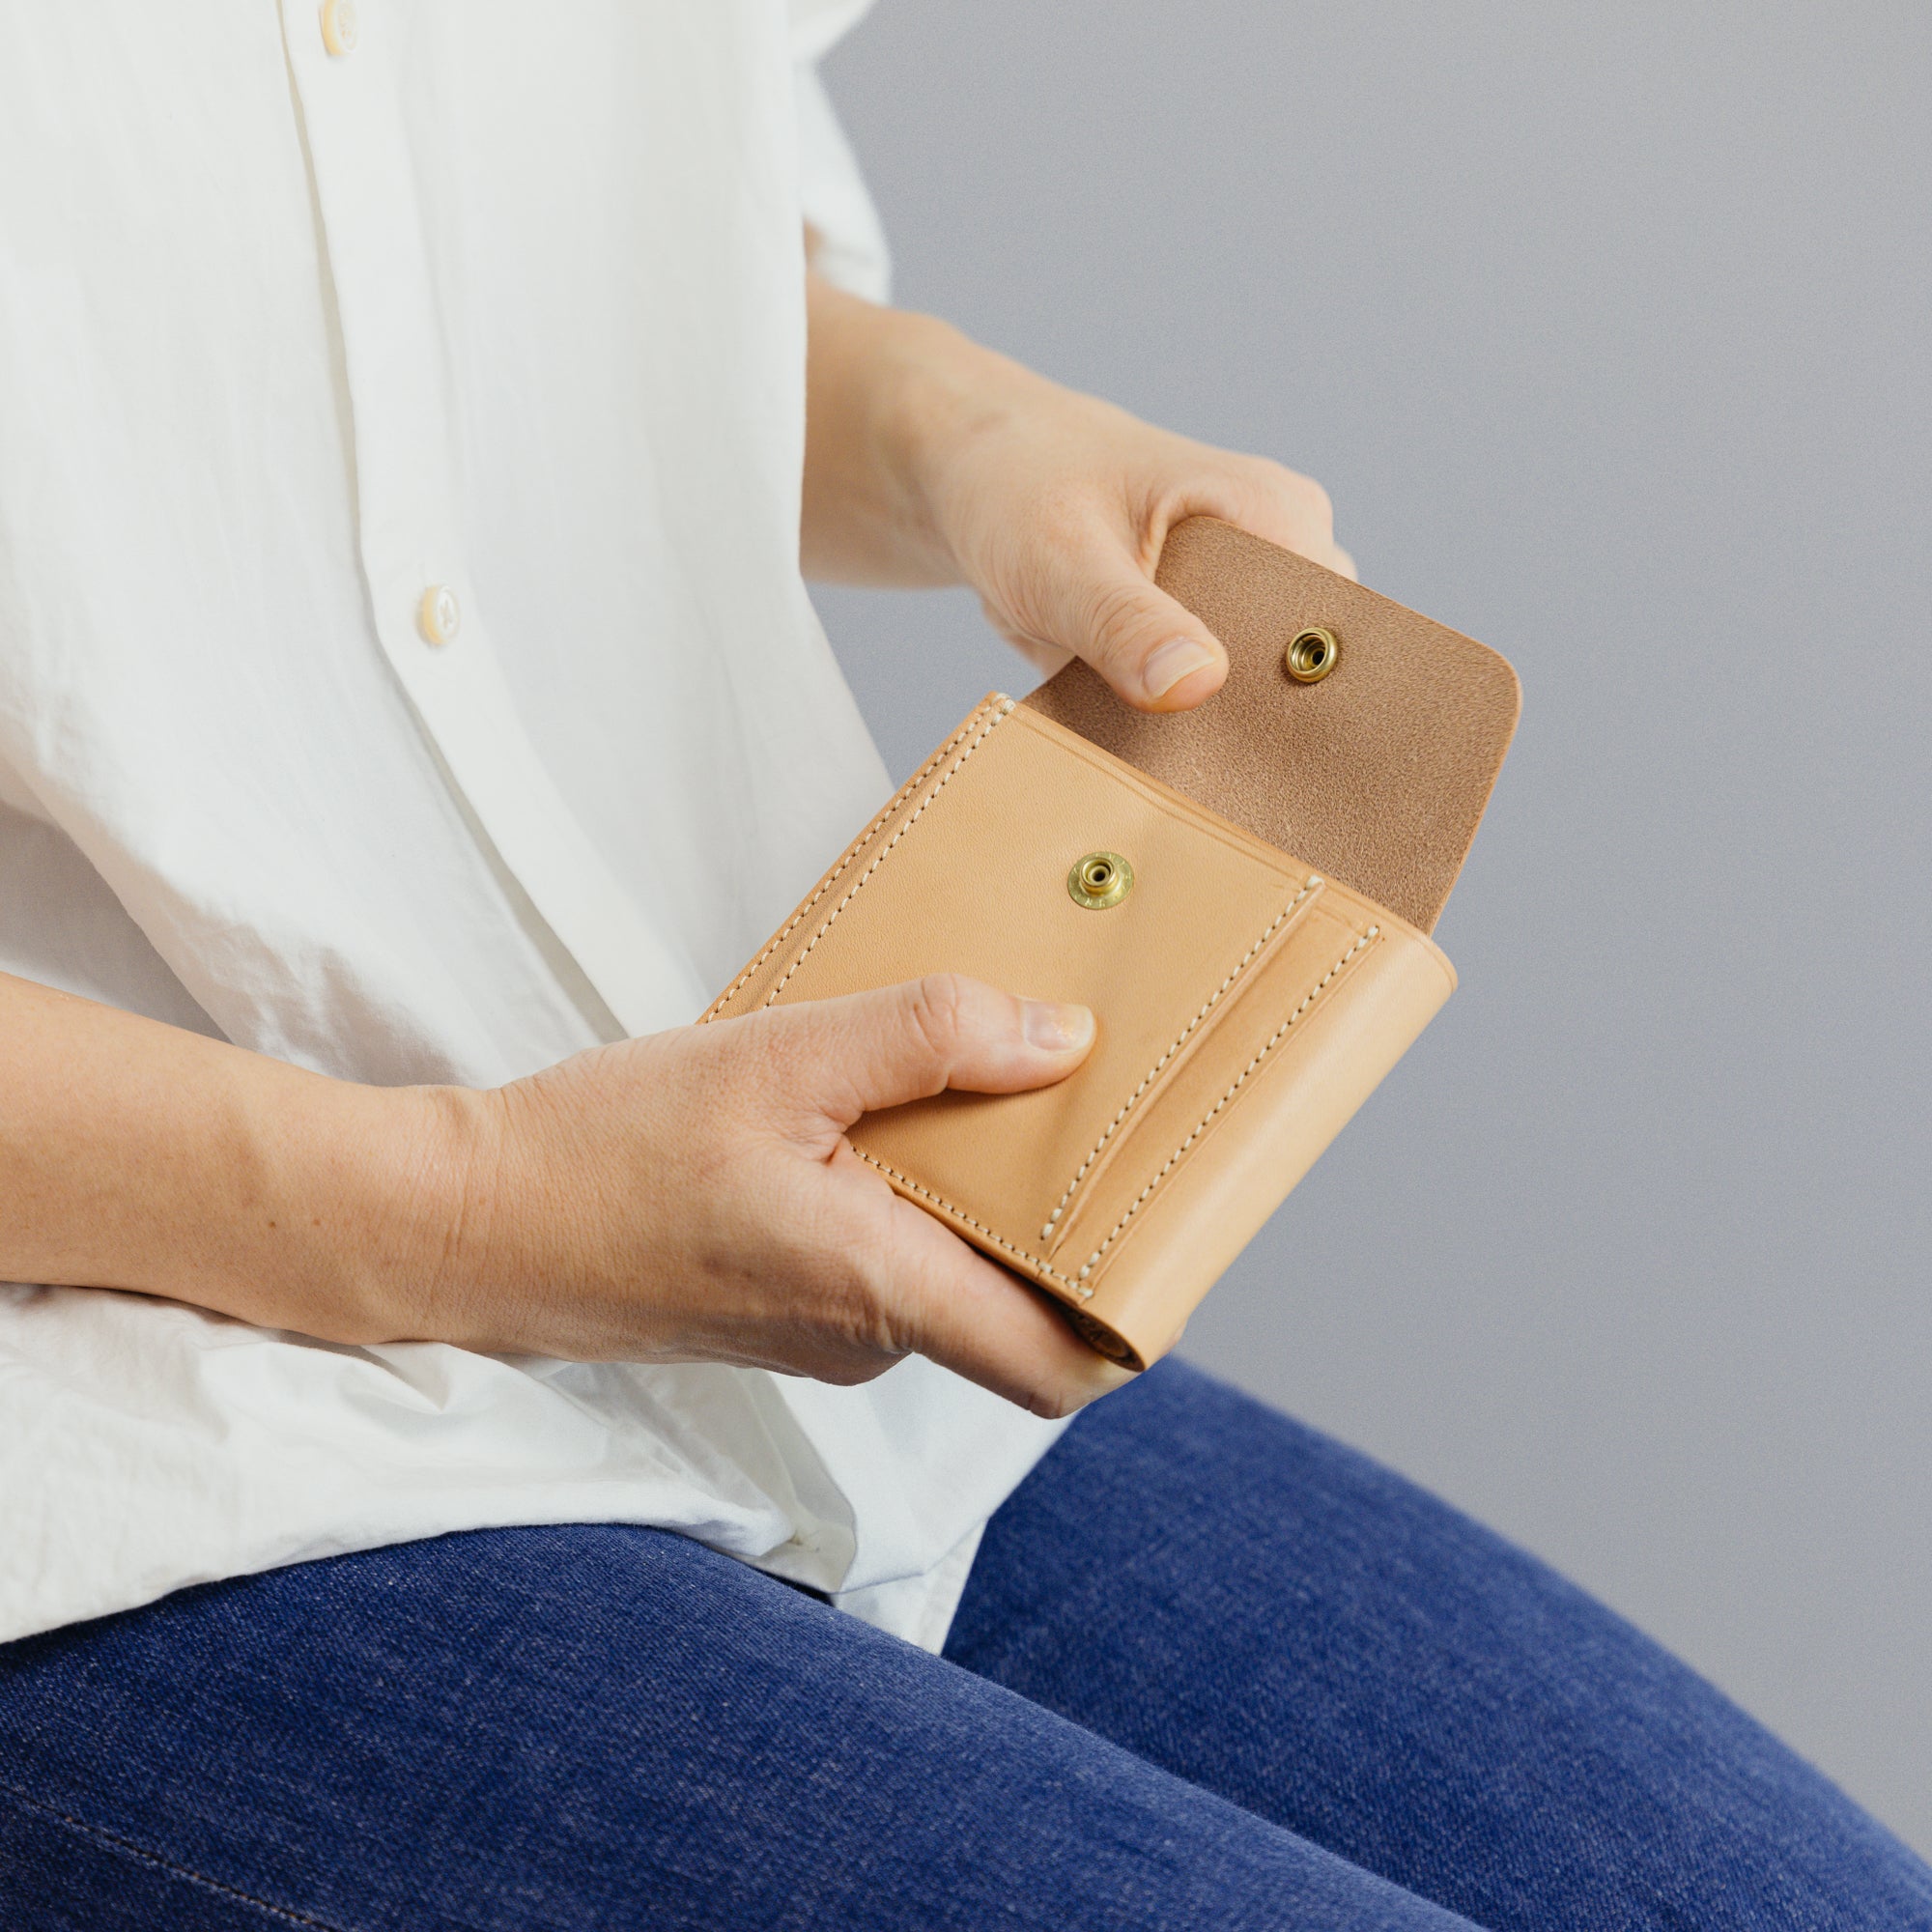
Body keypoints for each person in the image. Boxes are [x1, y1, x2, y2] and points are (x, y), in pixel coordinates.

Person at [0, 7, 1924, 1927]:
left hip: (814, 1307)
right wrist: (476, 1203)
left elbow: (522, 277)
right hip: (139, 1457)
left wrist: (964, 434)